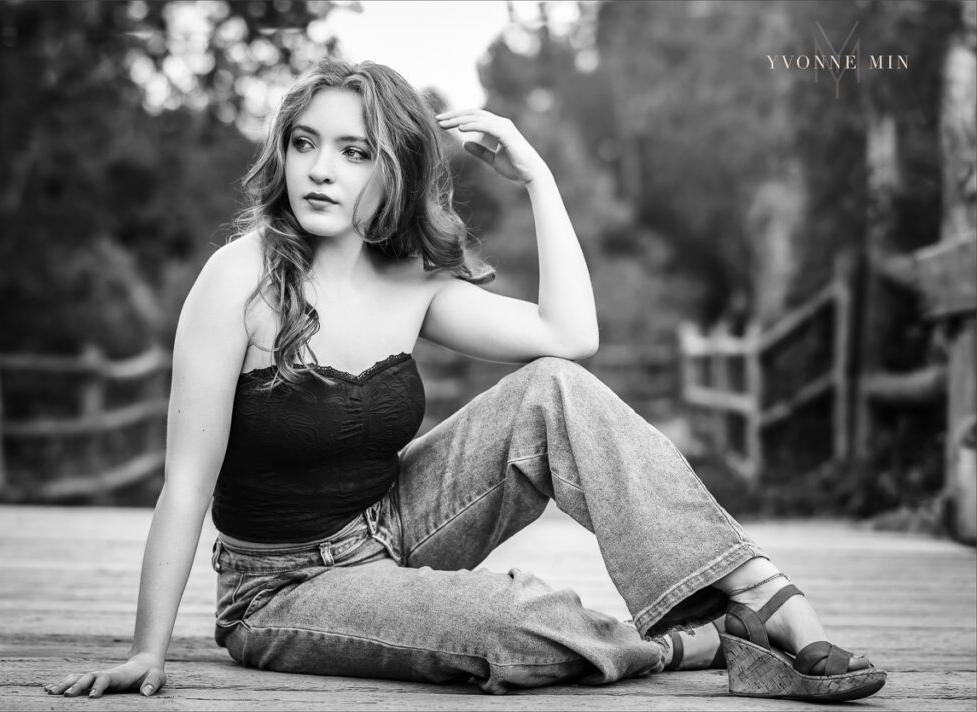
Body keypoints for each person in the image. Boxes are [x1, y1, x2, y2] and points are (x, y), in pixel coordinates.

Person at [44, 58, 886, 702]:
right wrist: (147, 649)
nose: (321, 170)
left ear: (393, 169)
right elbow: (184, 486)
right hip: (282, 586)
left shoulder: (407, 279)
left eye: (352, 151)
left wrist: (539, 179)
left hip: (395, 523)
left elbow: (570, 338)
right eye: (305, 145)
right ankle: (694, 642)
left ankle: (771, 602)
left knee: (552, 388)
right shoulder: (240, 278)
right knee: (511, 623)